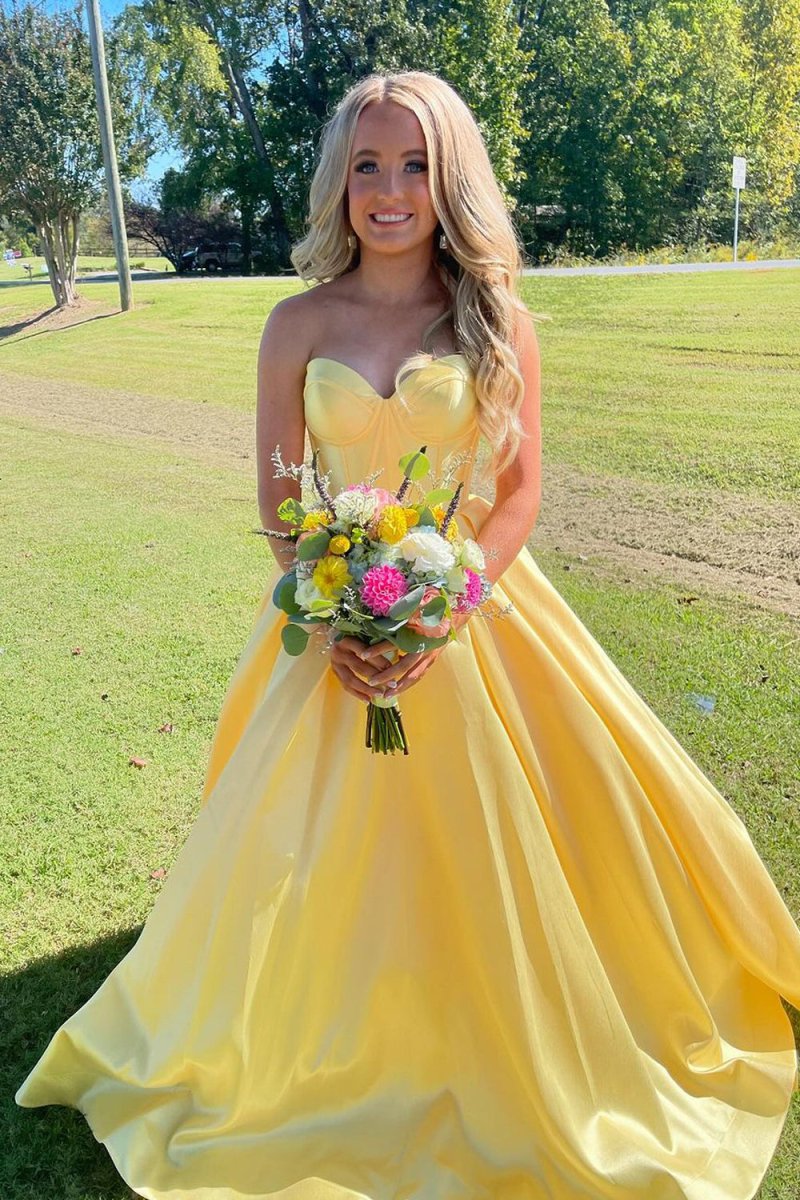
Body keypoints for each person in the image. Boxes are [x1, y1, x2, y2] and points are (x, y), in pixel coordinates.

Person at [14, 69, 800, 1200]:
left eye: (416, 165)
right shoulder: (295, 324)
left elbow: (522, 491)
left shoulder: (496, 320)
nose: (390, 191)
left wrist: (445, 606)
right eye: (368, 166)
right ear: (340, 183)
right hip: (329, 625)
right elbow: (281, 501)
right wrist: (332, 607)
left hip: (477, 615)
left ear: (450, 178)